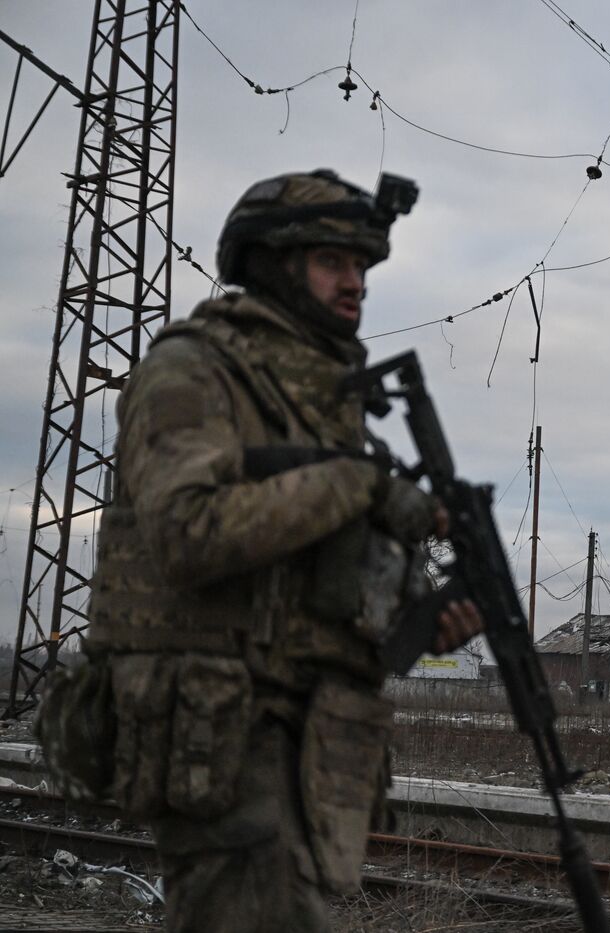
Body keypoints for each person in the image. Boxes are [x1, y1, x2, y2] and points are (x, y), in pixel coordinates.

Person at [84, 169, 480, 932]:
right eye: (334, 261)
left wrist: (416, 622)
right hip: (218, 730)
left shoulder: (314, 398)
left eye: (362, 266)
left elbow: (316, 579)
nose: (356, 283)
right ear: (273, 261)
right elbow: (187, 532)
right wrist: (358, 486)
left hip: (308, 736)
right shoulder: (194, 367)